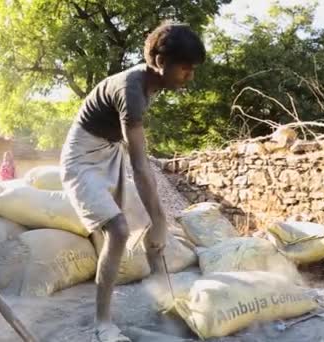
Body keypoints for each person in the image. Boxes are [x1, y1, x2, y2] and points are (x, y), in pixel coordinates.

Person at [59, 23, 205, 341]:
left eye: (192, 69)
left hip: (110, 151)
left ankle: (167, 303)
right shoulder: (132, 89)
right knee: (120, 230)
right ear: (160, 61)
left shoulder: (152, 83)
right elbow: (140, 164)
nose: (189, 76)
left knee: (150, 229)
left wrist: (158, 222)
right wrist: (160, 217)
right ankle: (103, 323)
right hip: (82, 156)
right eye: (184, 68)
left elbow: (135, 155)